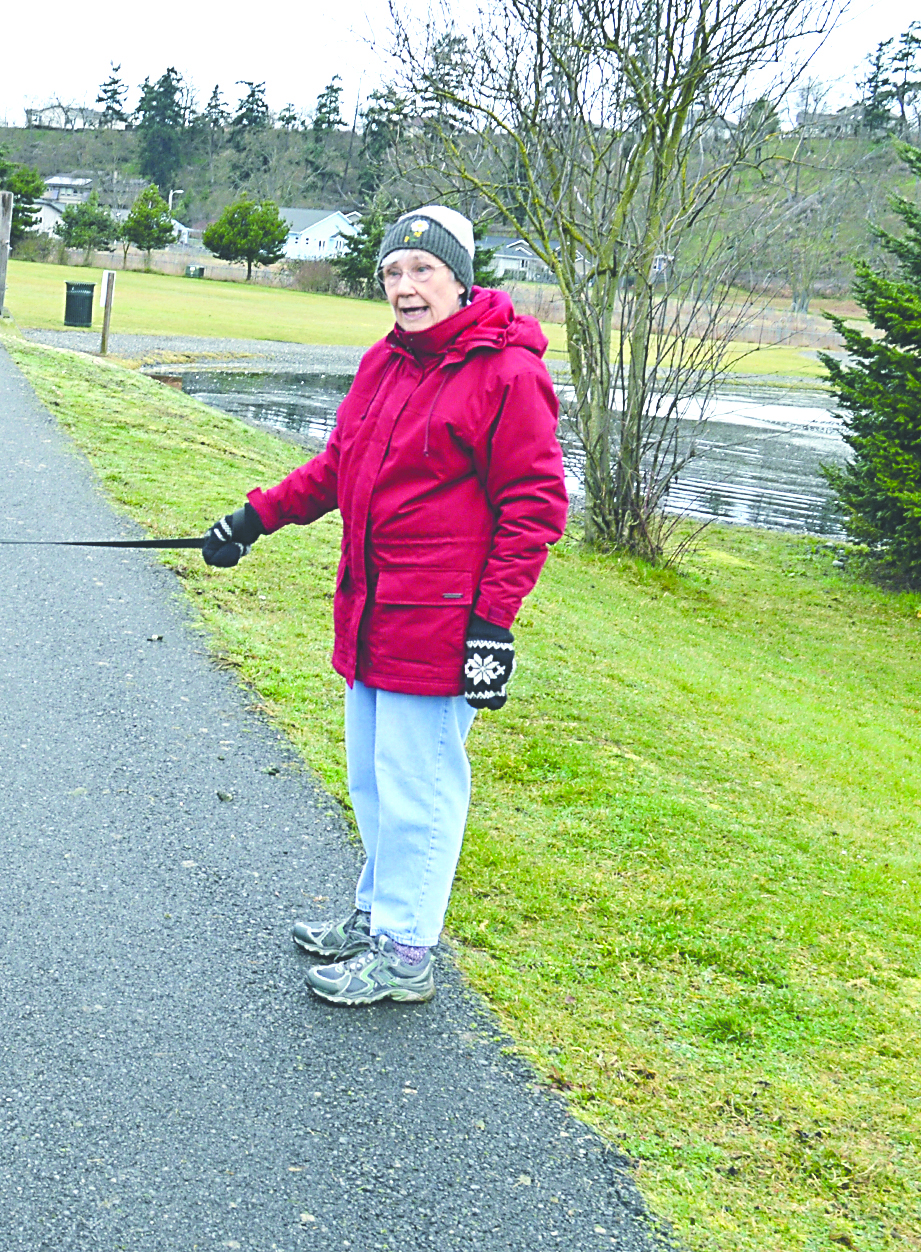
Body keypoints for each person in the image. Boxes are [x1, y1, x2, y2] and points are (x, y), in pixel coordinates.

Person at [200, 205, 568, 1006]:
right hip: (372, 611)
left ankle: (406, 952)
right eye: (392, 274)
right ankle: (378, 915)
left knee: (419, 788)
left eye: (421, 271)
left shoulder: (506, 374)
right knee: (372, 780)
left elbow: (534, 506)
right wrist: (253, 517)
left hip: (441, 621)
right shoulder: (384, 364)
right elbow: (338, 468)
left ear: (460, 280)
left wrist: (492, 624)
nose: (404, 287)